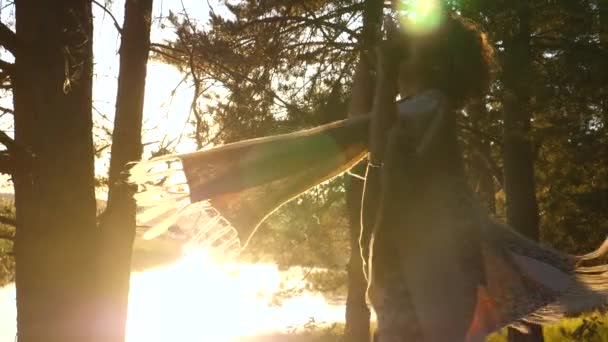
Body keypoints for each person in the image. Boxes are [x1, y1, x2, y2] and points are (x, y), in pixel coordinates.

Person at [351, 11, 607, 342]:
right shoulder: (420, 107)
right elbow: (378, 144)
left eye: (406, 50)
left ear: (432, 64)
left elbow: (380, 143)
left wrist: (384, 76)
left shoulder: (431, 105)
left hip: (426, 278)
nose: (397, 56)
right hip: (413, 274)